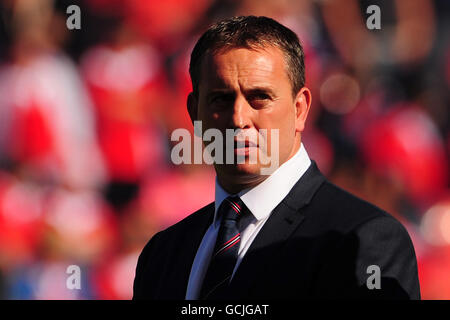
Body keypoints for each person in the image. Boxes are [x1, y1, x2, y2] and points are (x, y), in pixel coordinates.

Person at [133, 16, 420, 300]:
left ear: (300, 109)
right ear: (195, 112)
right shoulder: (162, 254)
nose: (239, 119)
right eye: (220, 98)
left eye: (259, 97)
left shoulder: (362, 240)